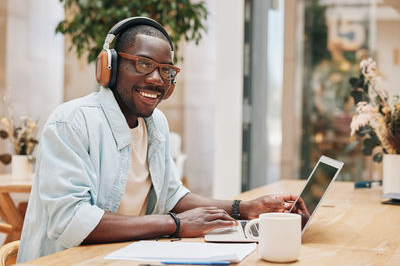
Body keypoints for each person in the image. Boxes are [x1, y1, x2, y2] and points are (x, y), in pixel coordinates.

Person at [17, 17, 304, 263]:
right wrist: (175, 225)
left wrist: (246, 208)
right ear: (110, 67)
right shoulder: (72, 122)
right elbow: (71, 221)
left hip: (126, 256)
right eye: (143, 64)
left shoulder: (156, 124)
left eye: (165, 70)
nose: (157, 79)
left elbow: (172, 195)